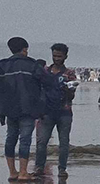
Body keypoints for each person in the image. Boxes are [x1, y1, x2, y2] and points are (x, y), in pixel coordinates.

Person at [0, 37, 53, 183]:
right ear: (25, 49)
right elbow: (47, 81)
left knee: (10, 138)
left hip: (8, 108)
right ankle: (23, 172)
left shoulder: (1, 65)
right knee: (25, 139)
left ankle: (12, 172)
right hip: (27, 107)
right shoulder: (31, 65)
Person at [34, 43, 79, 176]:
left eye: (59, 56)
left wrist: (68, 90)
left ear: (65, 56)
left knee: (64, 142)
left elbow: (72, 96)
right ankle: (39, 167)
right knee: (41, 142)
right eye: (54, 56)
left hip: (64, 112)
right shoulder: (45, 71)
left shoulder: (69, 74)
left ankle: (62, 168)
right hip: (46, 112)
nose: (57, 58)